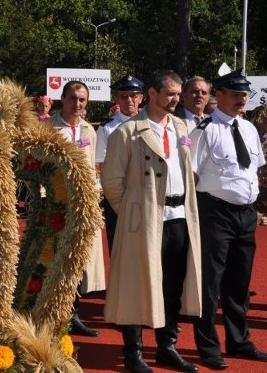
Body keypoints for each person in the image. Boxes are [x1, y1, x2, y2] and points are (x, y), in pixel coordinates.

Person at [102, 70, 201, 373]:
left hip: (179, 218)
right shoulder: (128, 132)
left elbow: (186, 169)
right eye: (170, 93)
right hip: (143, 222)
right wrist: (133, 213)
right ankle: (134, 353)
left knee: (172, 286)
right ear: (152, 93)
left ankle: (166, 347)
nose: (176, 99)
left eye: (178, 93)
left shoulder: (182, 126)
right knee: (137, 285)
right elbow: (112, 181)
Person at [190, 70, 267, 370]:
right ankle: (208, 346)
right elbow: (192, 174)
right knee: (210, 284)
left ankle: (239, 340)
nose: (242, 99)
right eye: (235, 94)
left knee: (239, 283)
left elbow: (254, 168)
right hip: (215, 213)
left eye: (244, 94)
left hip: (246, 215)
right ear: (218, 95)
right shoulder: (204, 130)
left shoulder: (248, 129)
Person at [48, 81, 105, 337]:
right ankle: (52, 315)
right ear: (63, 98)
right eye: (73, 98)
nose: (77, 104)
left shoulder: (88, 131)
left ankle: (73, 315)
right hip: (56, 204)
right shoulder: (48, 128)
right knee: (55, 260)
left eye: (82, 100)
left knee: (78, 262)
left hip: (82, 206)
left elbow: (93, 167)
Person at [96, 74, 145, 253]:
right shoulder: (107, 128)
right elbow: (100, 163)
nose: (129, 100)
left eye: (133, 96)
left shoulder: (152, 124)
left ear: (141, 98)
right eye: (124, 96)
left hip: (146, 192)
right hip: (119, 194)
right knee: (118, 246)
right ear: (116, 99)